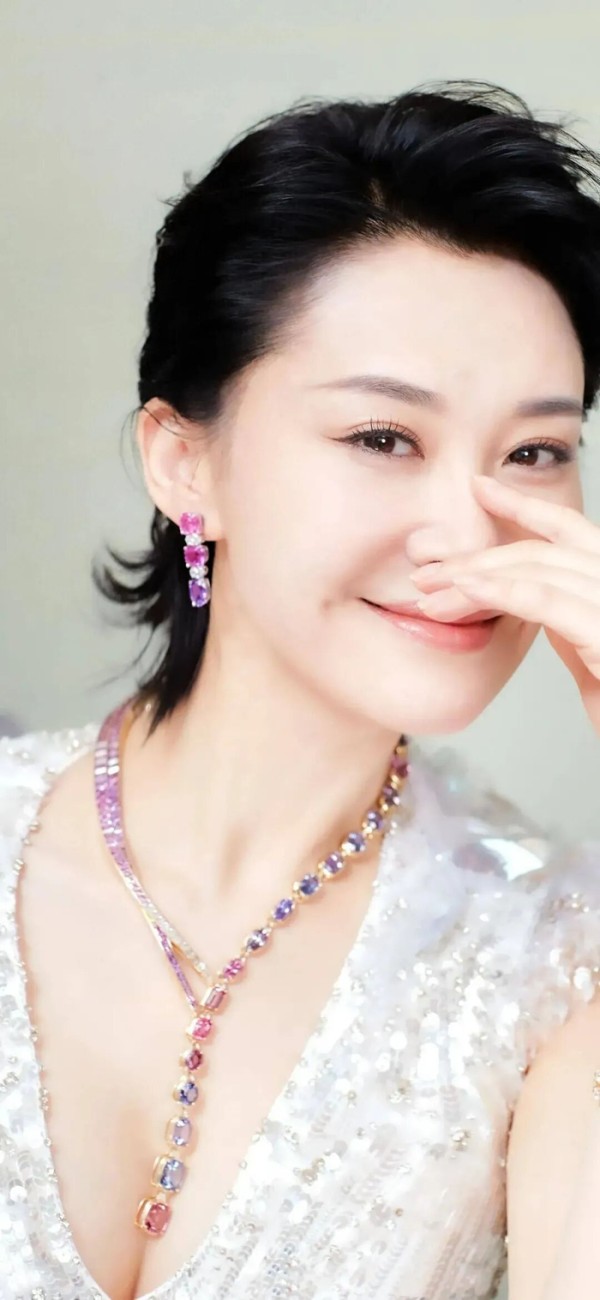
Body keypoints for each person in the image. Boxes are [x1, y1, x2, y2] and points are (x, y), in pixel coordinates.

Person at [1, 78, 600, 1300]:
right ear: (185, 462)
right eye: (384, 437)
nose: (467, 532)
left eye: (535, 452)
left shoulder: (560, 965)